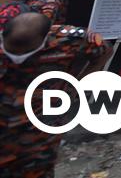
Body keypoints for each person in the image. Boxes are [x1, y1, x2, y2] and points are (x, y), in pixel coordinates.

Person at [1, 12, 112, 177]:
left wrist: (78, 83)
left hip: (41, 128)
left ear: (45, 39)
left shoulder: (68, 40)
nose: (19, 57)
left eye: (26, 50)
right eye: (13, 49)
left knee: (38, 169)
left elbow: (104, 50)